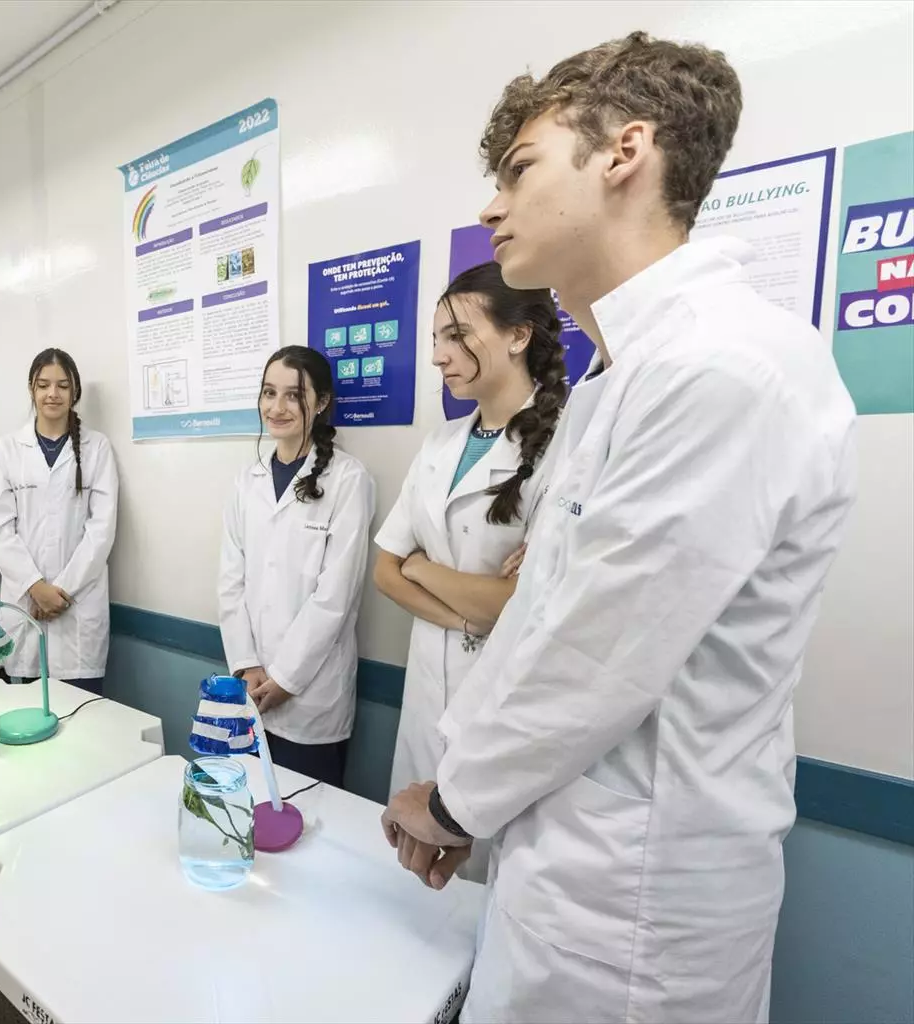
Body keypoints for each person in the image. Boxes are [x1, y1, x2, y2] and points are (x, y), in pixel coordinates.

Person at [379, 33, 857, 1023]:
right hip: (566, 868)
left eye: (519, 169)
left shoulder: (725, 366)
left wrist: (456, 801)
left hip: (639, 907)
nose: (491, 206)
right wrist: (463, 787)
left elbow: (595, 653)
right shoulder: (622, 379)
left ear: (624, 153)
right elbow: (541, 622)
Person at [374, 262, 565, 819]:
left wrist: (420, 568)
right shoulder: (440, 443)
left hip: (503, 702)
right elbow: (384, 571)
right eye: (436, 338)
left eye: (457, 336)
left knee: (478, 853)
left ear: (518, 335)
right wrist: (464, 617)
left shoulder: (565, 446)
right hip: (426, 689)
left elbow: (516, 602)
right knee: (409, 840)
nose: (438, 356)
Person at [218, 346, 376, 787]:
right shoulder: (246, 481)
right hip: (251, 686)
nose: (277, 407)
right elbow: (230, 580)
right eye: (269, 393)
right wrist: (246, 664)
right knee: (249, 803)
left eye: (293, 395)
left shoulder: (348, 479)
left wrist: (286, 678)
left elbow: (336, 596)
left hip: (312, 697)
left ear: (321, 402)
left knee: (308, 813)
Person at [0, 349, 118, 695]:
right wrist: (36, 587)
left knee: (81, 711)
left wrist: (61, 592)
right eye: (43, 385)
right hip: (25, 604)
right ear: (31, 389)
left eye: (62, 385)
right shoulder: (9, 448)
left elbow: (101, 530)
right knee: (24, 709)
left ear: (75, 391)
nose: (52, 394)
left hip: (77, 609)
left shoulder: (97, 448)